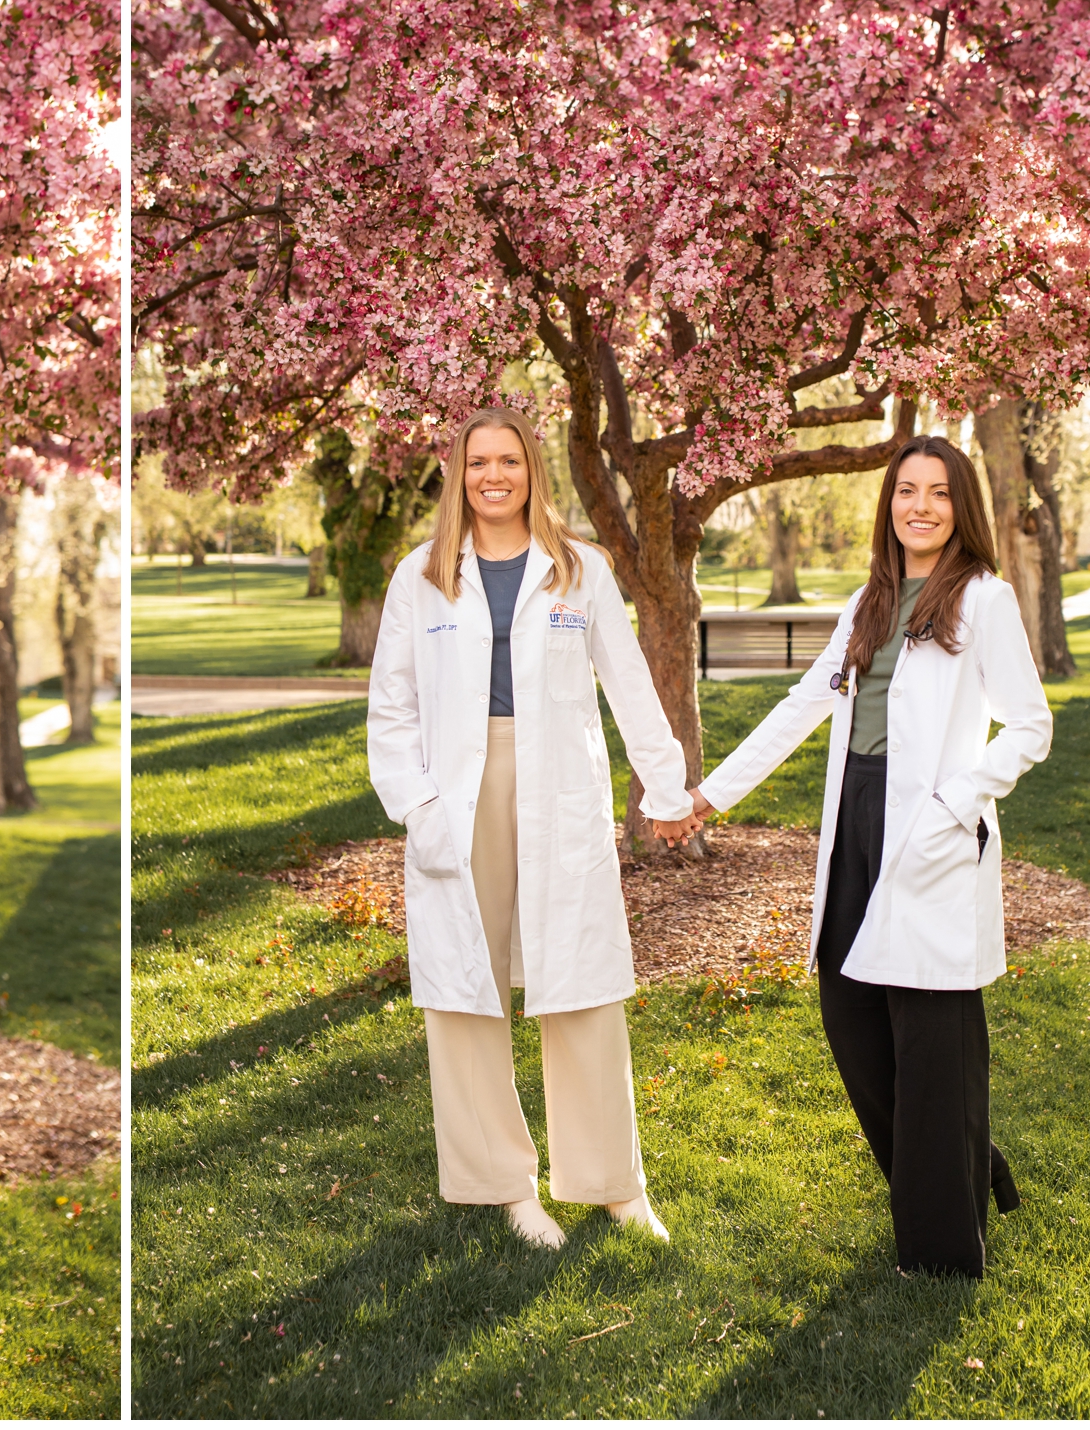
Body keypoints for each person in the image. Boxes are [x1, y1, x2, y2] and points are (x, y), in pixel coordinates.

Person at [687, 434, 1051, 1277]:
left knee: (932, 1037)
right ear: (888, 504)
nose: (919, 507)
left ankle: (940, 1249)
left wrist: (959, 800)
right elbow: (799, 706)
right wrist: (712, 794)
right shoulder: (871, 600)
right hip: (856, 821)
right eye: (905, 492)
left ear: (963, 508)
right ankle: (969, 1165)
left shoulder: (983, 599)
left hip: (928, 827)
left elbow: (1030, 725)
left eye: (938, 494)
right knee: (851, 1018)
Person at [368, 404, 697, 1248]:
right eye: (477, 463)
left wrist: (666, 788)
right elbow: (391, 707)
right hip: (458, 790)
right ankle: (503, 1186)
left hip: (557, 789)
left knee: (583, 980)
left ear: (531, 469)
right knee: (466, 987)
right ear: (458, 474)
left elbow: (628, 683)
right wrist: (417, 802)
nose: (492, 477)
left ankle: (615, 1182)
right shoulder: (423, 575)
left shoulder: (577, 568)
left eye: (507, 461)